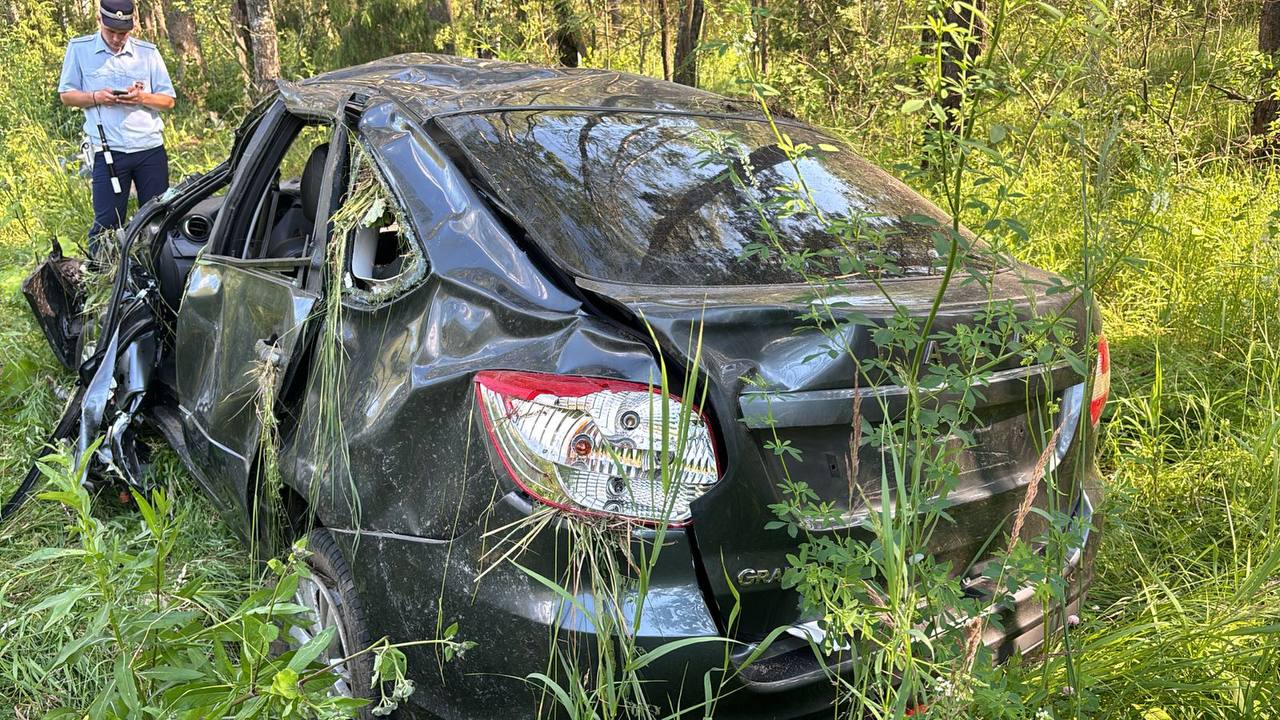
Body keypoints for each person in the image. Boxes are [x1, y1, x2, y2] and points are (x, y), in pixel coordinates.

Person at [57, 0, 176, 257]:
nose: (116, 38)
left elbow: (168, 100)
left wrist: (141, 98)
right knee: (107, 224)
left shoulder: (148, 53)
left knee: (157, 220)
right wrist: (97, 97)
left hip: (149, 150)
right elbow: (67, 95)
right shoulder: (80, 50)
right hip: (108, 151)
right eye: (111, 32)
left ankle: (155, 273)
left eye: (123, 33)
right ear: (99, 20)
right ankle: (102, 281)